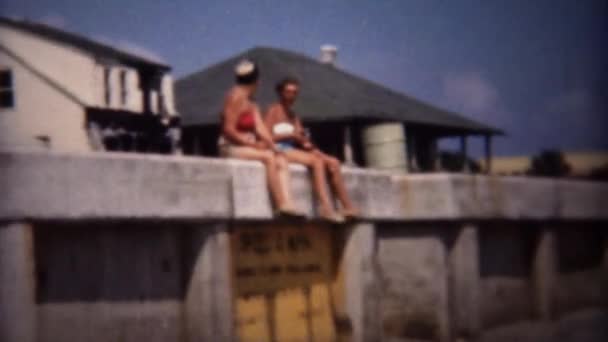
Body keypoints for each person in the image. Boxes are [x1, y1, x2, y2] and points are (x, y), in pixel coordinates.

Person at [264, 77, 360, 221]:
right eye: (288, 92)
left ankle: (347, 206)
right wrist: (290, 135)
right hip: (280, 150)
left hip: (294, 149)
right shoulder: (273, 110)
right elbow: (266, 138)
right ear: (280, 93)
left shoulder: (293, 115)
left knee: (333, 162)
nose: (292, 96)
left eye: (295, 93)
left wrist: (308, 144)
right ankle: (325, 208)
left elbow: (302, 138)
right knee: (316, 162)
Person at [219, 60, 302, 217]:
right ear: (256, 81)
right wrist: (252, 144)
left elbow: (260, 128)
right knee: (269, 157)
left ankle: (289, 205)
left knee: (280, 157)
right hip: (230, 146)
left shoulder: (252, 102)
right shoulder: (235, 97)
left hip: (247, 146)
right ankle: (280, 205)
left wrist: (272, 144)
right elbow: (228, 130)